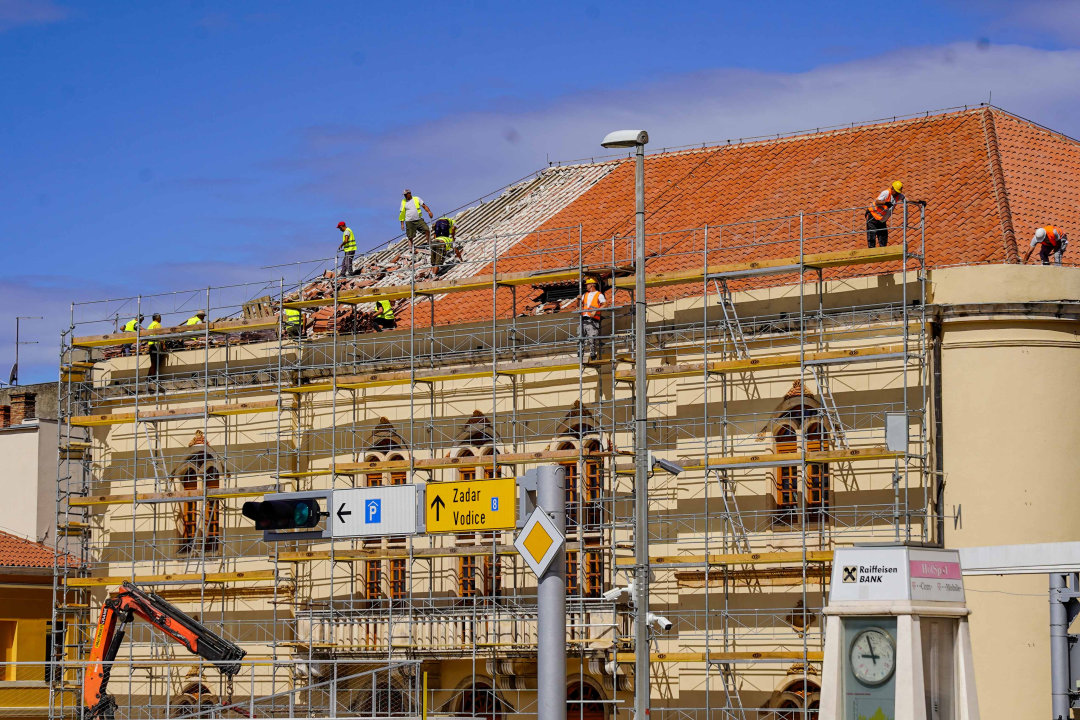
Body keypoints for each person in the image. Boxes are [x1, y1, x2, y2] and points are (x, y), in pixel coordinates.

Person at [865, 181, 905, 248]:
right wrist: (886, 203)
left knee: (883, 236)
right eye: (896, 192)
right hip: (873, 216)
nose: (896, 194)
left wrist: (918, 202)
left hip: (881, 220)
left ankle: (882, 252)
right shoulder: (886, 193)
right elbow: (877, 202)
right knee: (872, 234)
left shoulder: (897, 196)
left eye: (898, 192)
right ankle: (871, 252)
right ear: (892, 188)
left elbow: (906, 199)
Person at [578, 277, 606, 362]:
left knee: (592, 338)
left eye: (587, 285)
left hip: (593, 320)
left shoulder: (599, 294)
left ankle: (593, 353)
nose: (586, 286)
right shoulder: (585, 295)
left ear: (591, 285)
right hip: (584, 318)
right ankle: (580, 352)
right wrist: (578, 299)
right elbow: (579, 305)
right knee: (580, 335)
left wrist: (595, 311)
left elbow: (604, 304)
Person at [146, 313, 165, 379]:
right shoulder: (157, 324)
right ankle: (152, 377)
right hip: (155, 344)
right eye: (160, 317)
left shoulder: (150, 325)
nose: (161, 319)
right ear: (157, 318)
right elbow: (159, 335)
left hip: (151, 345)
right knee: (156, 362)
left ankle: (149, 377)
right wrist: (163, 344)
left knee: (153, 362)